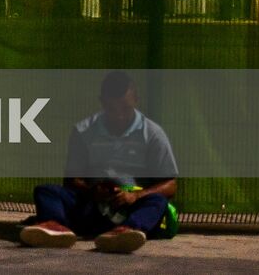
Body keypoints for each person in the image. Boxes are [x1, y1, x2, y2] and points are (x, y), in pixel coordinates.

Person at [21, 71, 178, 254]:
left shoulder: (153, 134)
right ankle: (55, 228)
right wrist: (92, 191)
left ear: (136, 100)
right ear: (102, 102)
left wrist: (135, 196)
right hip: (92, 206)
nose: (119, 116)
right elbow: (71, 180)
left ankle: (127, 231)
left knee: (157, 201)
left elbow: (171, 185)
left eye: (125, 109)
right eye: (112, 109)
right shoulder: (83, 131)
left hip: (131, 207)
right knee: (45, 192)